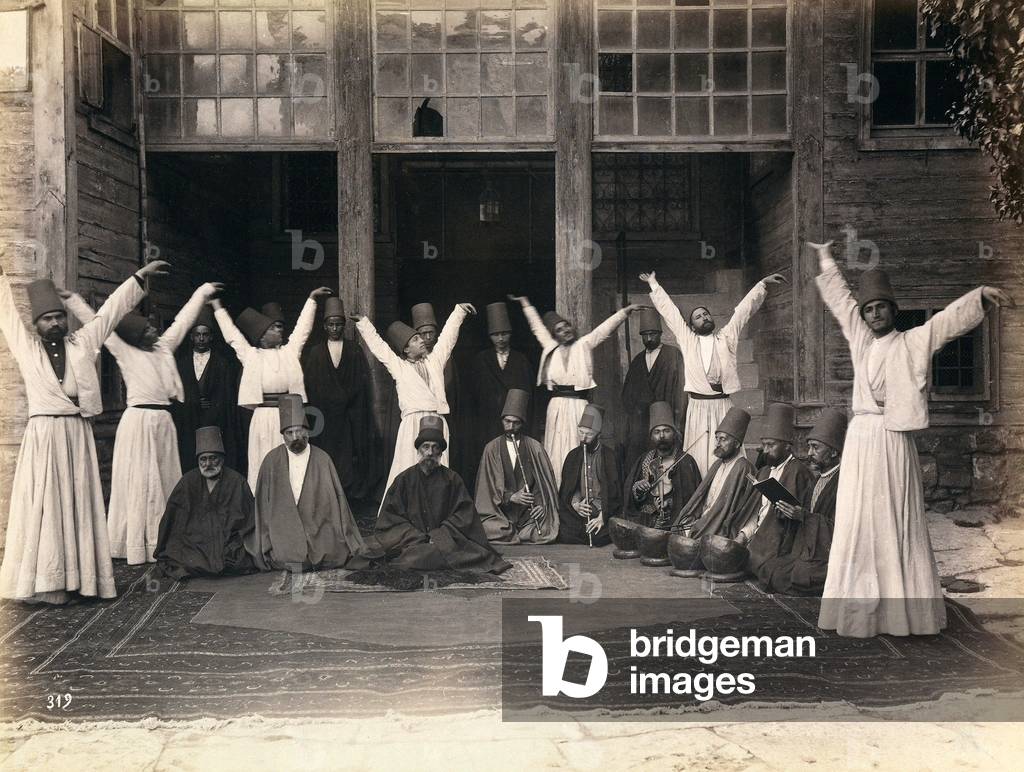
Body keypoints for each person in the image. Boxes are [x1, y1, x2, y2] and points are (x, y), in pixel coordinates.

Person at [810, 240, 1013, 637]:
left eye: (880, 307)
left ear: (892, 309)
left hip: (892, 439)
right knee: (859, 521)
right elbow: (840, 301)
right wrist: (825, 258)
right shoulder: (861, 342)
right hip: (862, 438)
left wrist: (980, 298)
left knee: (893, 519)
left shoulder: (911, 342)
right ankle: (857, 611)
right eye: (868, 309)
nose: (873, 313)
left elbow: (945, 324)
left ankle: (901, 614)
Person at [0, 258, 168, 603]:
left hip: (77, 433)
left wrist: (139, 277)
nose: (56, 322)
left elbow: (109, 312)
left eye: (59, 316)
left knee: (77, 504)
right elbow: (5, 313)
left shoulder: (82, 341)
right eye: (48, 318)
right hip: (44, 435)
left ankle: (80, 581)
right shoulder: (26, 348)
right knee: (45, 506)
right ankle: (46, 584)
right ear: (37, 324)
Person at [65, 281, 224, 565]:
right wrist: (74, 302)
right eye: (147, 330)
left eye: (153, 327)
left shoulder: (164, 348)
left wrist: (202, 291)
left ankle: (165, 540)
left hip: (163, 422)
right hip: (137, 423)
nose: (154, 331)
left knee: (164, 480)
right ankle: (135, 544)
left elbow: (183, 320)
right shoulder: (126, 353)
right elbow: (98, 323)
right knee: (139, 482)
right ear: (137, 337)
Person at [640, 269, 786, 475]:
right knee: (699, 458)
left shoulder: (727, 337)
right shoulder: (688, 340)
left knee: (728, 455)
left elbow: (743, 312)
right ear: (691, 325)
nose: (704, 317)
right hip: (698, 408)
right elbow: (670, 312)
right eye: (698, 317)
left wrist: (762, 284)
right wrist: (654, 284)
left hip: (723, 406)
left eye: (706, 314)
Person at [510, 294, 641, 486]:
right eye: (560, 330)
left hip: (580, 405)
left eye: (567, 326)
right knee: (557, 448)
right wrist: (525, 303)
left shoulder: (583, 345)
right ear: (554, 335)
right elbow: (536, 327)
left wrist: (625, 312)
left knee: (580, 444)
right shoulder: (550, 348)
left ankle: (582, 490)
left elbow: (603, 330)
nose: (565, 330)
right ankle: (557, 491)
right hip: (557, 406)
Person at [352, 302, 475, 506]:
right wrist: (364, 323)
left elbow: (447, 338)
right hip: (412, 426)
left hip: (436, 422)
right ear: (406, 349)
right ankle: (405, 513)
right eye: (416, 339)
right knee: (408, 467)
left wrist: (459, 311)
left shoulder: (435, 360)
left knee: (439, 469)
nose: (422, 341)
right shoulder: (399, 367)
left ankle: (439, 512)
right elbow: (379, 347)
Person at [212, 286, 332, 491]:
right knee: (264, 462)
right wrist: (217, 308)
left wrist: (312, 299)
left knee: (291, 461)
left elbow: (303, 330)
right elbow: (232, 335)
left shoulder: (289, 352)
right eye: (274, 328)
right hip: (263, 418)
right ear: (262, 334)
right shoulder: (251, 355)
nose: (280, 330)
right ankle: (264, 506)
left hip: (289, 416)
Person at [248, 394, 378, 572]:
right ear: (282, 435)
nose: (296, 437)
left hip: (319, 526)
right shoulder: (271, 461)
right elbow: (262, 509)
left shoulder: (322, 459)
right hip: (285, 527)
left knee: (331, 554)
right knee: (289, 557)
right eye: (289, 433)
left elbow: (336, 505)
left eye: (299, 430)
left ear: (307, 430)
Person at [376, 415, 511, 573]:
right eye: (425, 447)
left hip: (445, 541)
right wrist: (415, 536)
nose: (430, 452)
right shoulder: (404, 480)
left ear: (441, 452)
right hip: (410, 541)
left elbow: (464, 515)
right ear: (418, 450)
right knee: (407, 555)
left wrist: (439, 536)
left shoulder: (453, 479)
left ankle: (420, 559)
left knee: (450, 555)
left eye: (435, 447)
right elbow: (391, 518)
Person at [750, 408, 847, 596]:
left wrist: (802, 515)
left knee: (791, 575)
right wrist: (789, 511)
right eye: (809, 446)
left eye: (816, 447)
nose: (809, 453)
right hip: (809, 551)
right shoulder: (819, 478)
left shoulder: (844, 481)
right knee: (769, 567)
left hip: (829, 555)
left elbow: (842, 530)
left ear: (834, 452)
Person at [301, 296, 379, 505]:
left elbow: (361, 386)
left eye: (339, 324)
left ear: (344, 325)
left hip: (350, 417)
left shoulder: (354, 349)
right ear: (324, 325)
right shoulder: (316, 353)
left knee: (351, 460)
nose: (335, 328)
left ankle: (351, 502)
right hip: (326, 418)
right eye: (331, 324)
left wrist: (348, 405)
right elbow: (310, 386)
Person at [154, 426, 257, 580]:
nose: (208, 463)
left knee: (237, 557)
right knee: (183, 556)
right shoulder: (188, 481)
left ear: (221, 459)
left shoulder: (237, 481)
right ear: (198, 461)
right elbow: (172, 518)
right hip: (196, 540)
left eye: (213, 458)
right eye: (203, 459)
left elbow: (251, 518)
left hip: (227, 540)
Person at [463, 301, 534, 489]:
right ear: (490, 336)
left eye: (504, 333)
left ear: (510, 334)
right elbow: (473, 396)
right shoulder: (481, 360)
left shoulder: (521, 360)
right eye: (496, 335)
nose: (501, 338)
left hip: (513, 422)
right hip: (487, 423)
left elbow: (528, 395)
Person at [474, 389, 559, 544]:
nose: (510, 427)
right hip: (501, 514)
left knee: (548, 528)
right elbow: (486, 489)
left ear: (523, 423)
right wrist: (511, 497)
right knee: (484, 527)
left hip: (528, 515)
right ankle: (515, 534)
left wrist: (540, 505)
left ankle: (517, 534)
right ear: (502, 420)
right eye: (507, 421)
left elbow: (543, 484)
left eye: (516, 423)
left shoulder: (535, 447)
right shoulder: (491, 448)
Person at [172, 305, 243, 473]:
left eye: (205, 334)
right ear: (191, 337)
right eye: (197, 335)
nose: (201, 339)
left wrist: (213, 408)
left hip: (215, 421)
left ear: (211, 337)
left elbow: (227, 397)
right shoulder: (181, 364)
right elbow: (176, 394)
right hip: (190, 421)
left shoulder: (222, 363)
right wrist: (194, 402)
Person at [670, 406, 756, 540]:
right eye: (717, 438)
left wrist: (700, 524)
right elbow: (701, 499)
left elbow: (733, 513)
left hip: (719, 528)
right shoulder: (717, 464)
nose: (717, 443)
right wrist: (692, 517)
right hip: (703, 520)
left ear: (737, 443)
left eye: (723, 439)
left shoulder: (744, 467)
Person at [741, 401, 815, 555]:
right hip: (756, 536)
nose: (765, 451)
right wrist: (744, 535)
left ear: (787, 445)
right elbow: (756, 512)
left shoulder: (799, 472)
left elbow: (803, 519)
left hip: (779, 543)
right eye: (764, 445)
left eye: (771, 445)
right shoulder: (764, 472)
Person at [620, 307, 685, 472]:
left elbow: (681, 389)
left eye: (653, 334)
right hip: (642, 422)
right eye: (645, 335)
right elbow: (627, 394)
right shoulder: (637, 361)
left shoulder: (673, 355)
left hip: (666, 418)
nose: (649, 338)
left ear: (660, 333)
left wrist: (677, 420)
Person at [623, 401, 701, 530]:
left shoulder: (686, 461)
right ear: (651, 436)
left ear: (674, 433)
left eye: (666, 430)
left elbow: (694, 500)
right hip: (648, 520)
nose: (662, 436)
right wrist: (638, 490)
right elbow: (631, 500)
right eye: (657, 432)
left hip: (676, 520)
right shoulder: (644, 459)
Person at [556, 404, 622, 547]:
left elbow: (615, 492)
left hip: (602, 510)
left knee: (599, 537)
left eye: (589, 434)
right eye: (581, 432)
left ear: (598, 435)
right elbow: (569, 489)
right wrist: (576, 504)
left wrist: (603, 516)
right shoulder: (573, 455)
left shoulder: (609, 456)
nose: (584, 438)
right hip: (580, 511)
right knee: (562, 531)